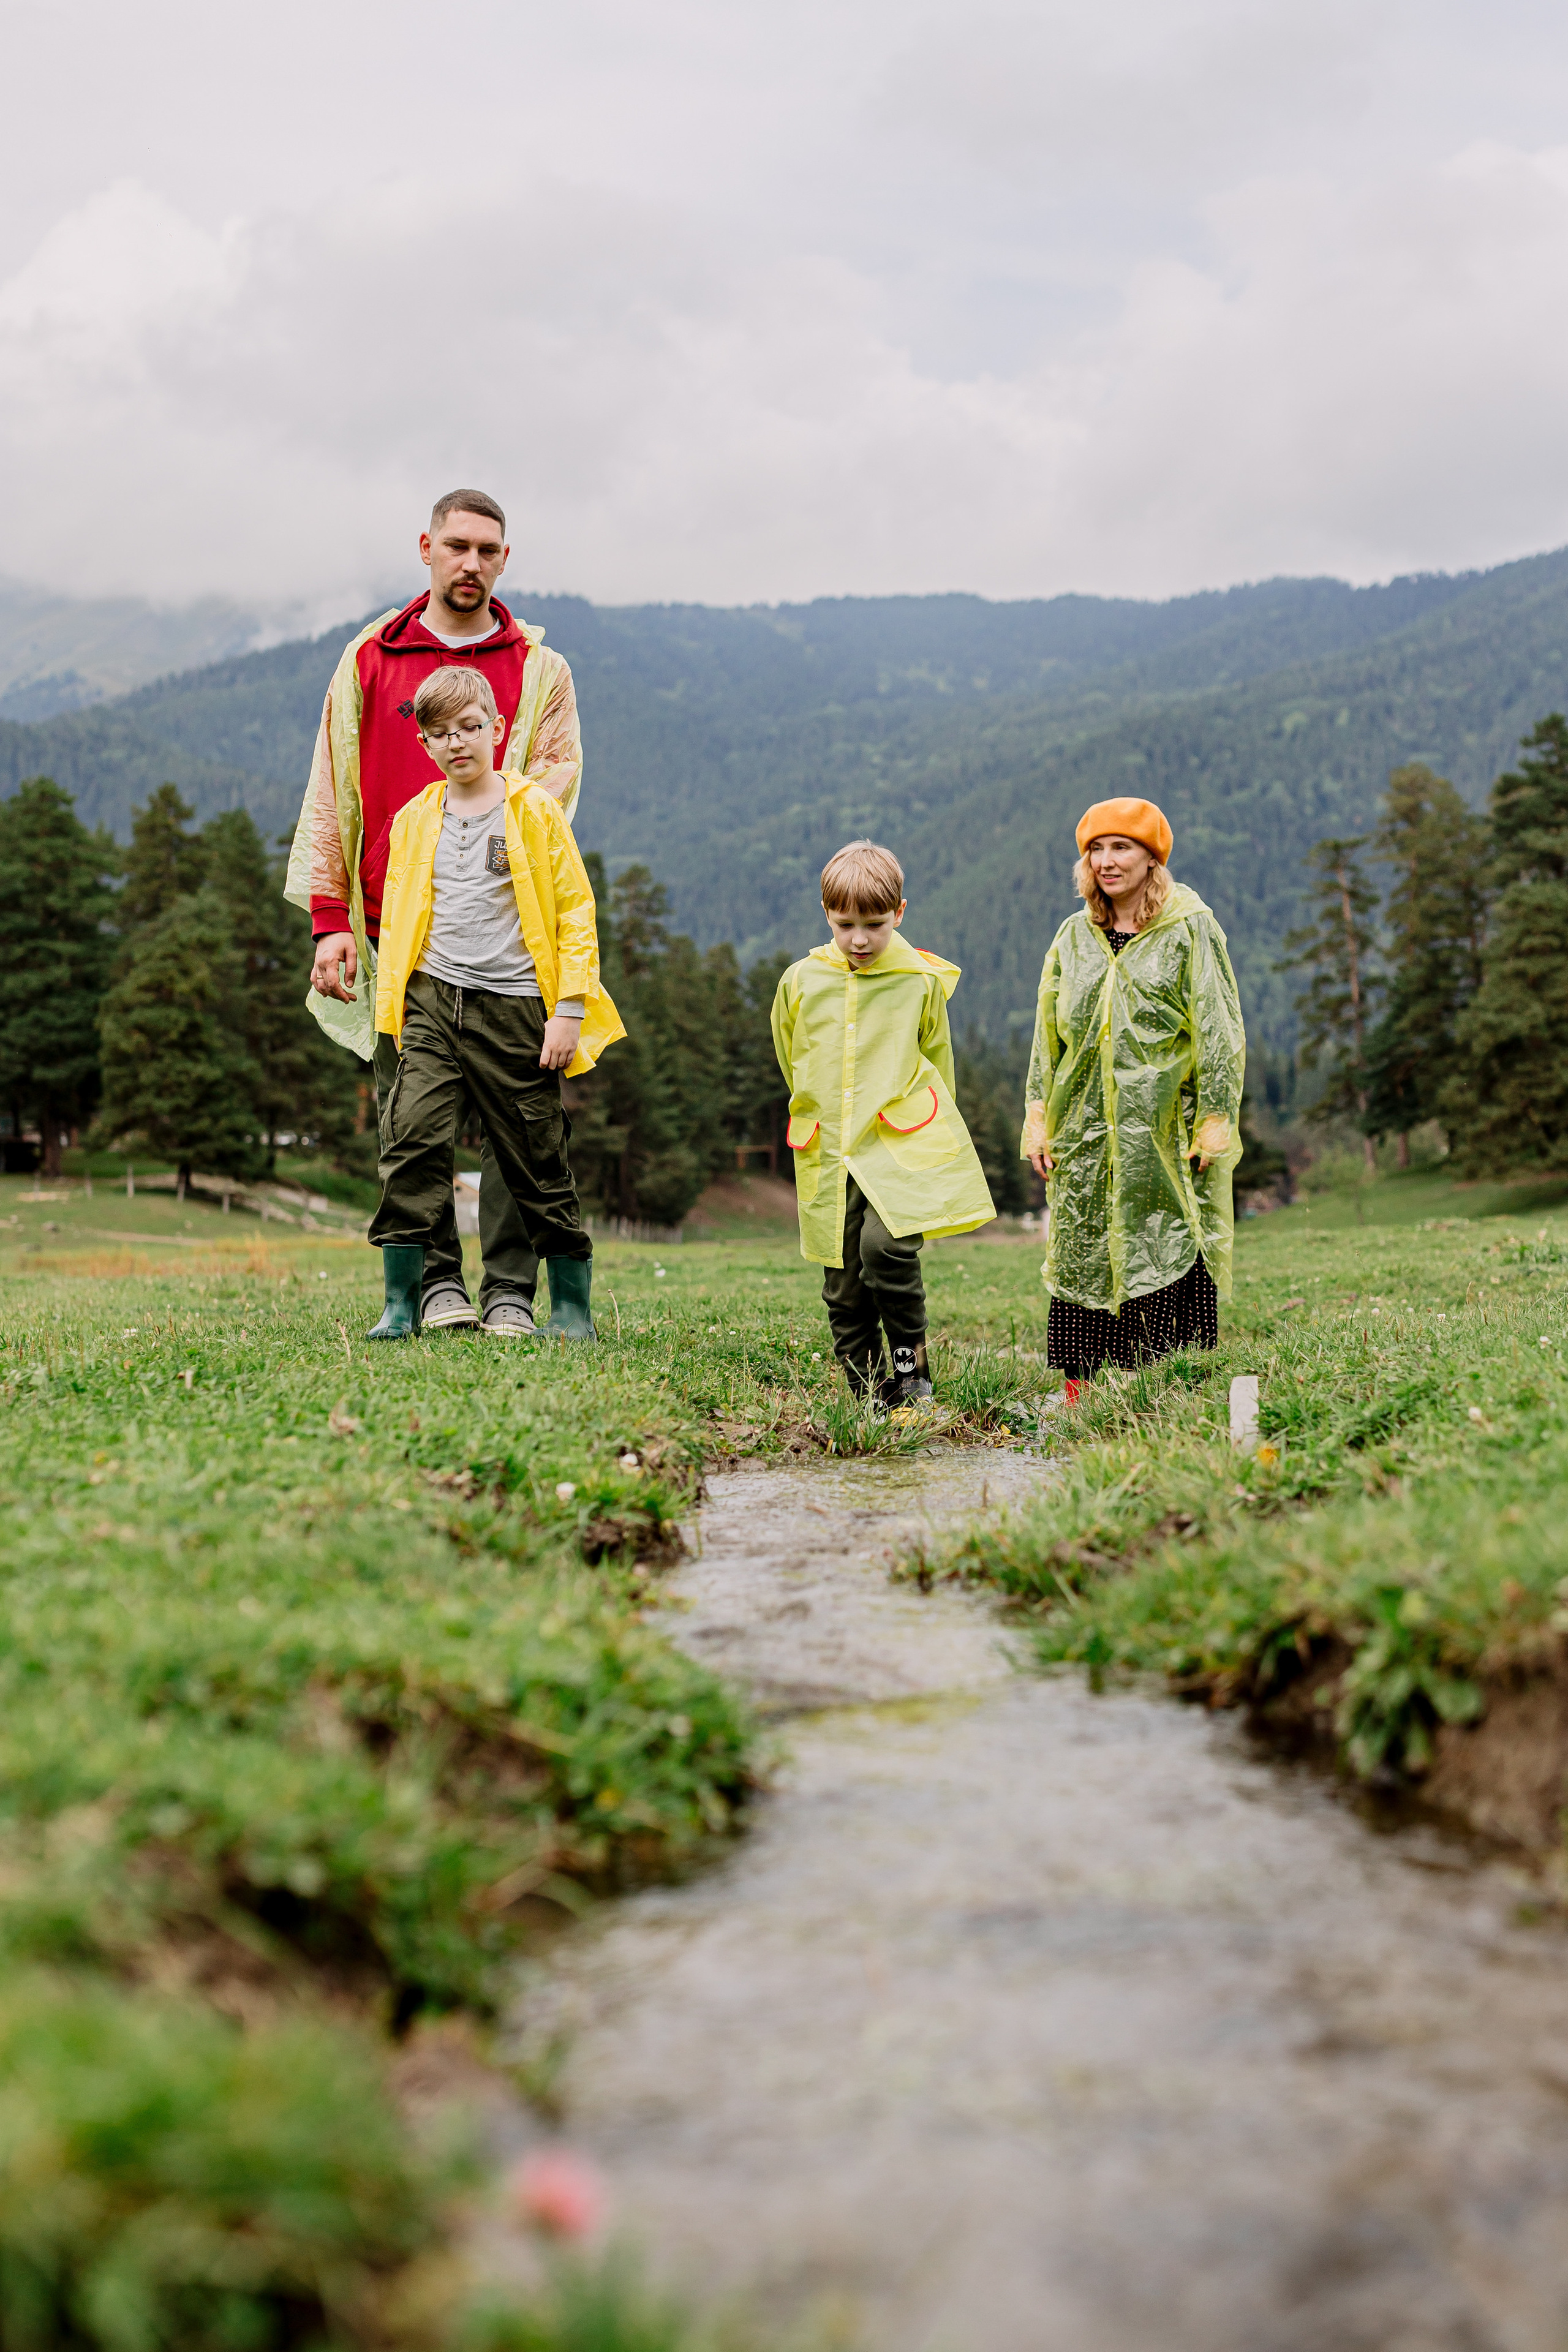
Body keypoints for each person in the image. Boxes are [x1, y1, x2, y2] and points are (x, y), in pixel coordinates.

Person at [284, 488, 584, 1336]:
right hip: (396, 931)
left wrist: (485, 819)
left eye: (488, 550)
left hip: (505, 932)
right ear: (425, 547)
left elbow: (560, 777)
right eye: (456, 546)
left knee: (519, 1124)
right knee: (410, 1120)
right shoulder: (371, 657)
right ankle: (435, 1288)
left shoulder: (538, 668)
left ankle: (510, 1295)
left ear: (504, 559)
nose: (471, 563)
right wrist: (330, 917)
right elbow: (332, 787)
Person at [364, 666, 623, 1342]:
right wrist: (393, 1010)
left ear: (498, 730)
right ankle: (404, 1299)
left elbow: (574, 910)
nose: (458, 743)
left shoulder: (533, 810)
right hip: (429, 1003)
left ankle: (565, 1307)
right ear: (424, 744)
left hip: (514, 1009)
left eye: (470, 727)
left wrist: (568, 1009)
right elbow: (398, 920)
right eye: (440, 733)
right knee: (411, 1137)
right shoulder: (417, 817)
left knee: (533, 1156)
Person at [1021, 797, 1245, 1401]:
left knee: (1163, 1244)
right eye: (1095, 849)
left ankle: (1164, 1397)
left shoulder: (1188, 928)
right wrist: (1038, 1119)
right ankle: (1081, 1401)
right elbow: (1048, 1039)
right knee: (1084, 1253)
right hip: (1084, 1133)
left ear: (1152, 857)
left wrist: (1214, 1119)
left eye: (1121, 847)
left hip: (1161, 1131)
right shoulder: (1073, 936)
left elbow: (1217, 1028)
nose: (1107, 861)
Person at [771, 839, 995, 1411]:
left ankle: (911, 1369)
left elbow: (938, 1066)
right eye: (846, 925)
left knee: (885, 1250)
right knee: (843, 1285)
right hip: (828, 1150)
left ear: (899, 913)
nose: (861, 939)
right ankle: (872, 1394)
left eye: (874, 923)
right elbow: (789, 1055)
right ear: (827, 915)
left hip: (897, 1146)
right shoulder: (799, 982)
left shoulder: (920, 982)